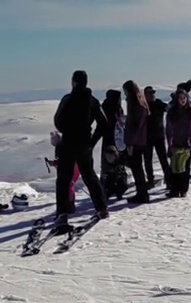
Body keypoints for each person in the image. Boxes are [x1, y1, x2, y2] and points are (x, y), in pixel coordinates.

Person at [51, 70, 110, 228]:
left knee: (64, 179)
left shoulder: (68, 99)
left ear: (74, 82)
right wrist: (92, 141)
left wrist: (67, 131)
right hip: (85, 145)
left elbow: (58, 121)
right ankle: (102, 209)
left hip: (68, 143)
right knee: (90, 176)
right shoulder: (92, 101)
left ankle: (62, 214)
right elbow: (103, 124)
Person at [165, 83, 191, 198]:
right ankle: (174, 189)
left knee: (185, 167)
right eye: (180, 98)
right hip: (175, 142)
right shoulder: (172, 112)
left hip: (186, 143)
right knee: (174, 167)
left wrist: (190, 143)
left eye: (184, 98)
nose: (183, 100)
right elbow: (169, 129)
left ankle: (183, 189)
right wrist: (170, 143)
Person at [122, 80, 150, 203]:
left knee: (137, 168)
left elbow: (134, 125)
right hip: (142, 139)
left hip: (135, 141)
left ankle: (142, 193)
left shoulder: (134, 103)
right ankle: (142, 193)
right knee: (139, 168)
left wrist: (130, 143)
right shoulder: (142, 102)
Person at [100, 89, 129, 200]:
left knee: (109, 165)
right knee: (117, 163)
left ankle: (109, 188)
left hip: (109, 140)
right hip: (116, 140)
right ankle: (117, 187)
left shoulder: (105, 107)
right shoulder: (115, 108)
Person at [143, 86, 172, 189]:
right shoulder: (143, 105)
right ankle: (150, 181)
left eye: (153, 93)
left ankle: (169, 181)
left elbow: (168, 108)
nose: (152, 95)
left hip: (158, 136)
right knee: (147, 160)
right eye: (150, 93)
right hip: (147, 137)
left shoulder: (158, 103)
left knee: (163, 159)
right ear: (145, 95)